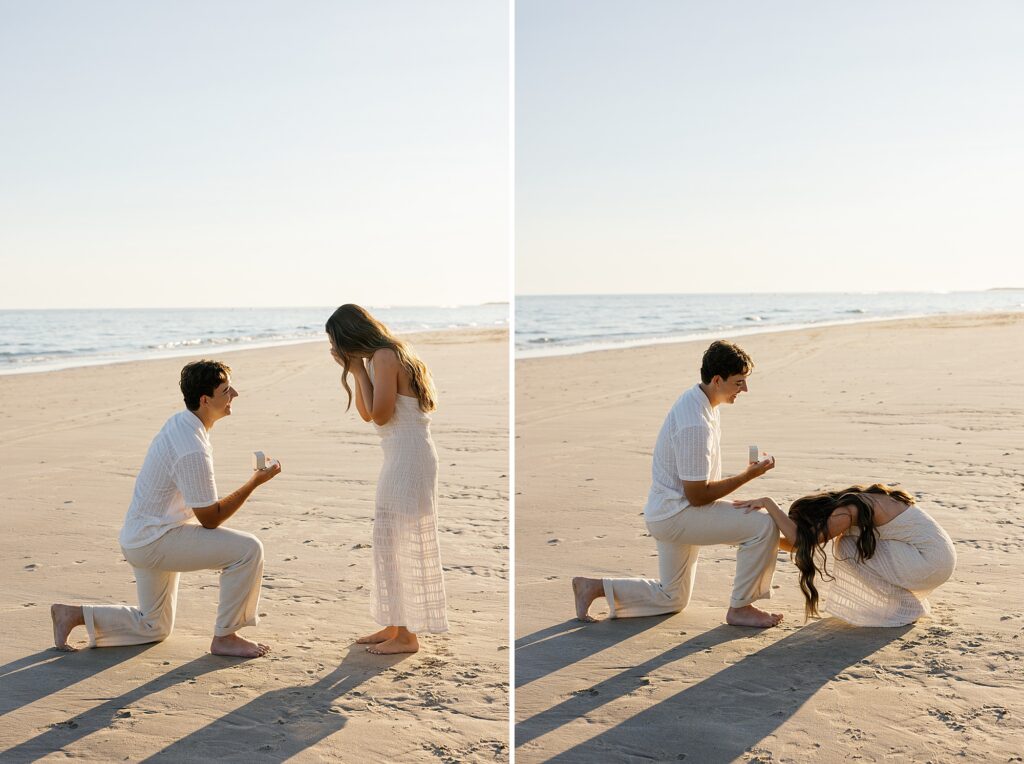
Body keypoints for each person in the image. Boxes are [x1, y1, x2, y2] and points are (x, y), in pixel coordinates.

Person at [50, 360, 281, 658]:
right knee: (249, 550)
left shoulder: (182, 422)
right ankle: (226, 636)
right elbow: (210, 519)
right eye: (226, 390)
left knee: (154, 626)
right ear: (205, 400)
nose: (234, 393)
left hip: (141, 535)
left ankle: (73, 614)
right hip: (156, 540)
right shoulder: (192, 447)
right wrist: (254, 483)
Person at [573, 340, 784, 628]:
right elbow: (697, 496)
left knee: (672, 597)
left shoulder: (702, 401)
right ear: (717, 379)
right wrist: (749, 476)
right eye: (739, 382)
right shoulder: (695, 422)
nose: (744, 389)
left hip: (668, 510)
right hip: (678, 514)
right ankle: (741, 608)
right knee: (763, 525)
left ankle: (594, 586)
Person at [326, 304, 449, 655]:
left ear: (348, 335)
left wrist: (356, 368)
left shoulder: (384, 355)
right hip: (403, 454)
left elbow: (380, 417)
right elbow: (369, 416)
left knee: (399, 539)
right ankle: (396, 624)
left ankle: (408, 637)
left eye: (335, 341)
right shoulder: (381, 356)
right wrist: (355, 371)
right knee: (388, 539)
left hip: (408, 457)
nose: (334, 349)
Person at [735, 484, 956, 626]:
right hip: (939, 559)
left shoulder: (846, 512)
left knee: (847, 547)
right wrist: (760, 537)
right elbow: (798, 545)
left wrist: (769, 503)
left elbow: (802, 542)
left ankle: (905, 606)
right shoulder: (854, 501)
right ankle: (904, 604)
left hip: (929, 561)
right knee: (850, 543)